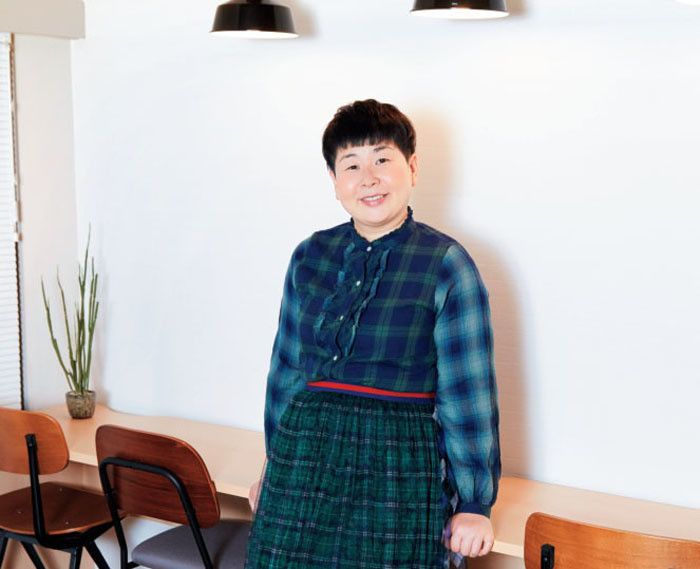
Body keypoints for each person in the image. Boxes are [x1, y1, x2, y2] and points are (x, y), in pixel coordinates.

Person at [244, 99, 501, 568]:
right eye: (352, 165)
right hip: (303, 462)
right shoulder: (309, 256)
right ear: (334, 179)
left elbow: (468, 396)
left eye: (382, 159)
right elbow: (285, 376)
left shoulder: (447, 264)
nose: (368, 178)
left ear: (412, 167)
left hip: (397, 466)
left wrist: (473, 503)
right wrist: (272, 465)